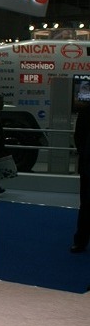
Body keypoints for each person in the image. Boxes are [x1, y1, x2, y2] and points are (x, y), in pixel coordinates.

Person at [70, 102, 90, 252]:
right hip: (87, 166)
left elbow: (78, 137)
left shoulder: (85, 111)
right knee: (86, 205)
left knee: (86, 205)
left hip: (87, 165)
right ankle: (81, 240)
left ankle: (81, 241)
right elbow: (79, 137)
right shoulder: (86, 112)